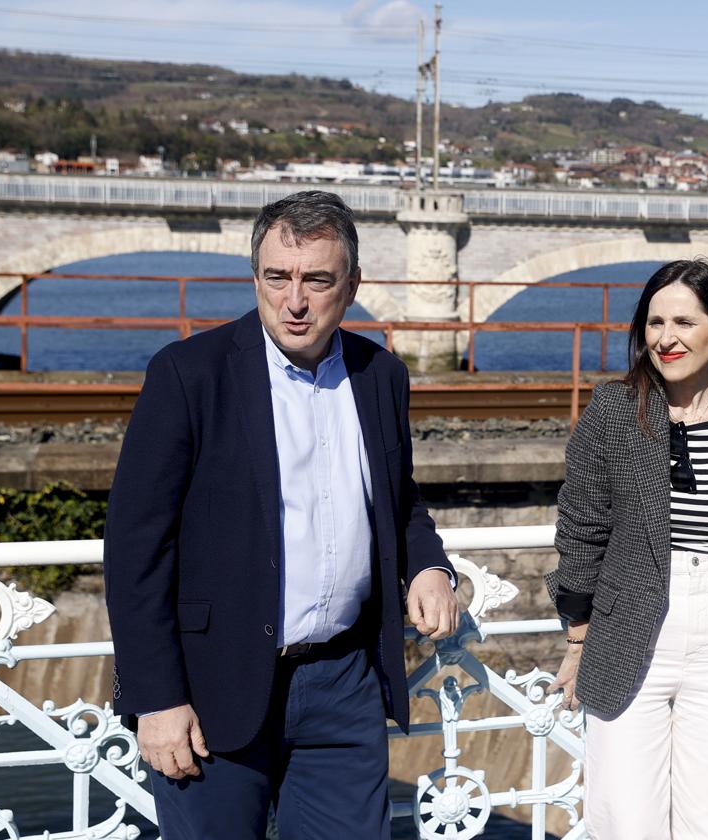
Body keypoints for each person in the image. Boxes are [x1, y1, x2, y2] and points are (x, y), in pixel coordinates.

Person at [103, 190, 459, 840]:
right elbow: (135, 549)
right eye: (278, 278)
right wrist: (155, 698)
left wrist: (429, 565)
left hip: (343, 686)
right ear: (256, 277)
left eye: (317, 280)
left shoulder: (380, 375)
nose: (295, 300)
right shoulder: (188, 375)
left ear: (351, 286)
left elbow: (398, 499)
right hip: (213, 689)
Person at [545, 259, 708, 839]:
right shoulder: (612, 412)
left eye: (683, 320)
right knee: (626, 821)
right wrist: (578, 639)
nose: (666, 338)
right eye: (654, 323)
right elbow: (581, 529)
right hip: (630, 627)